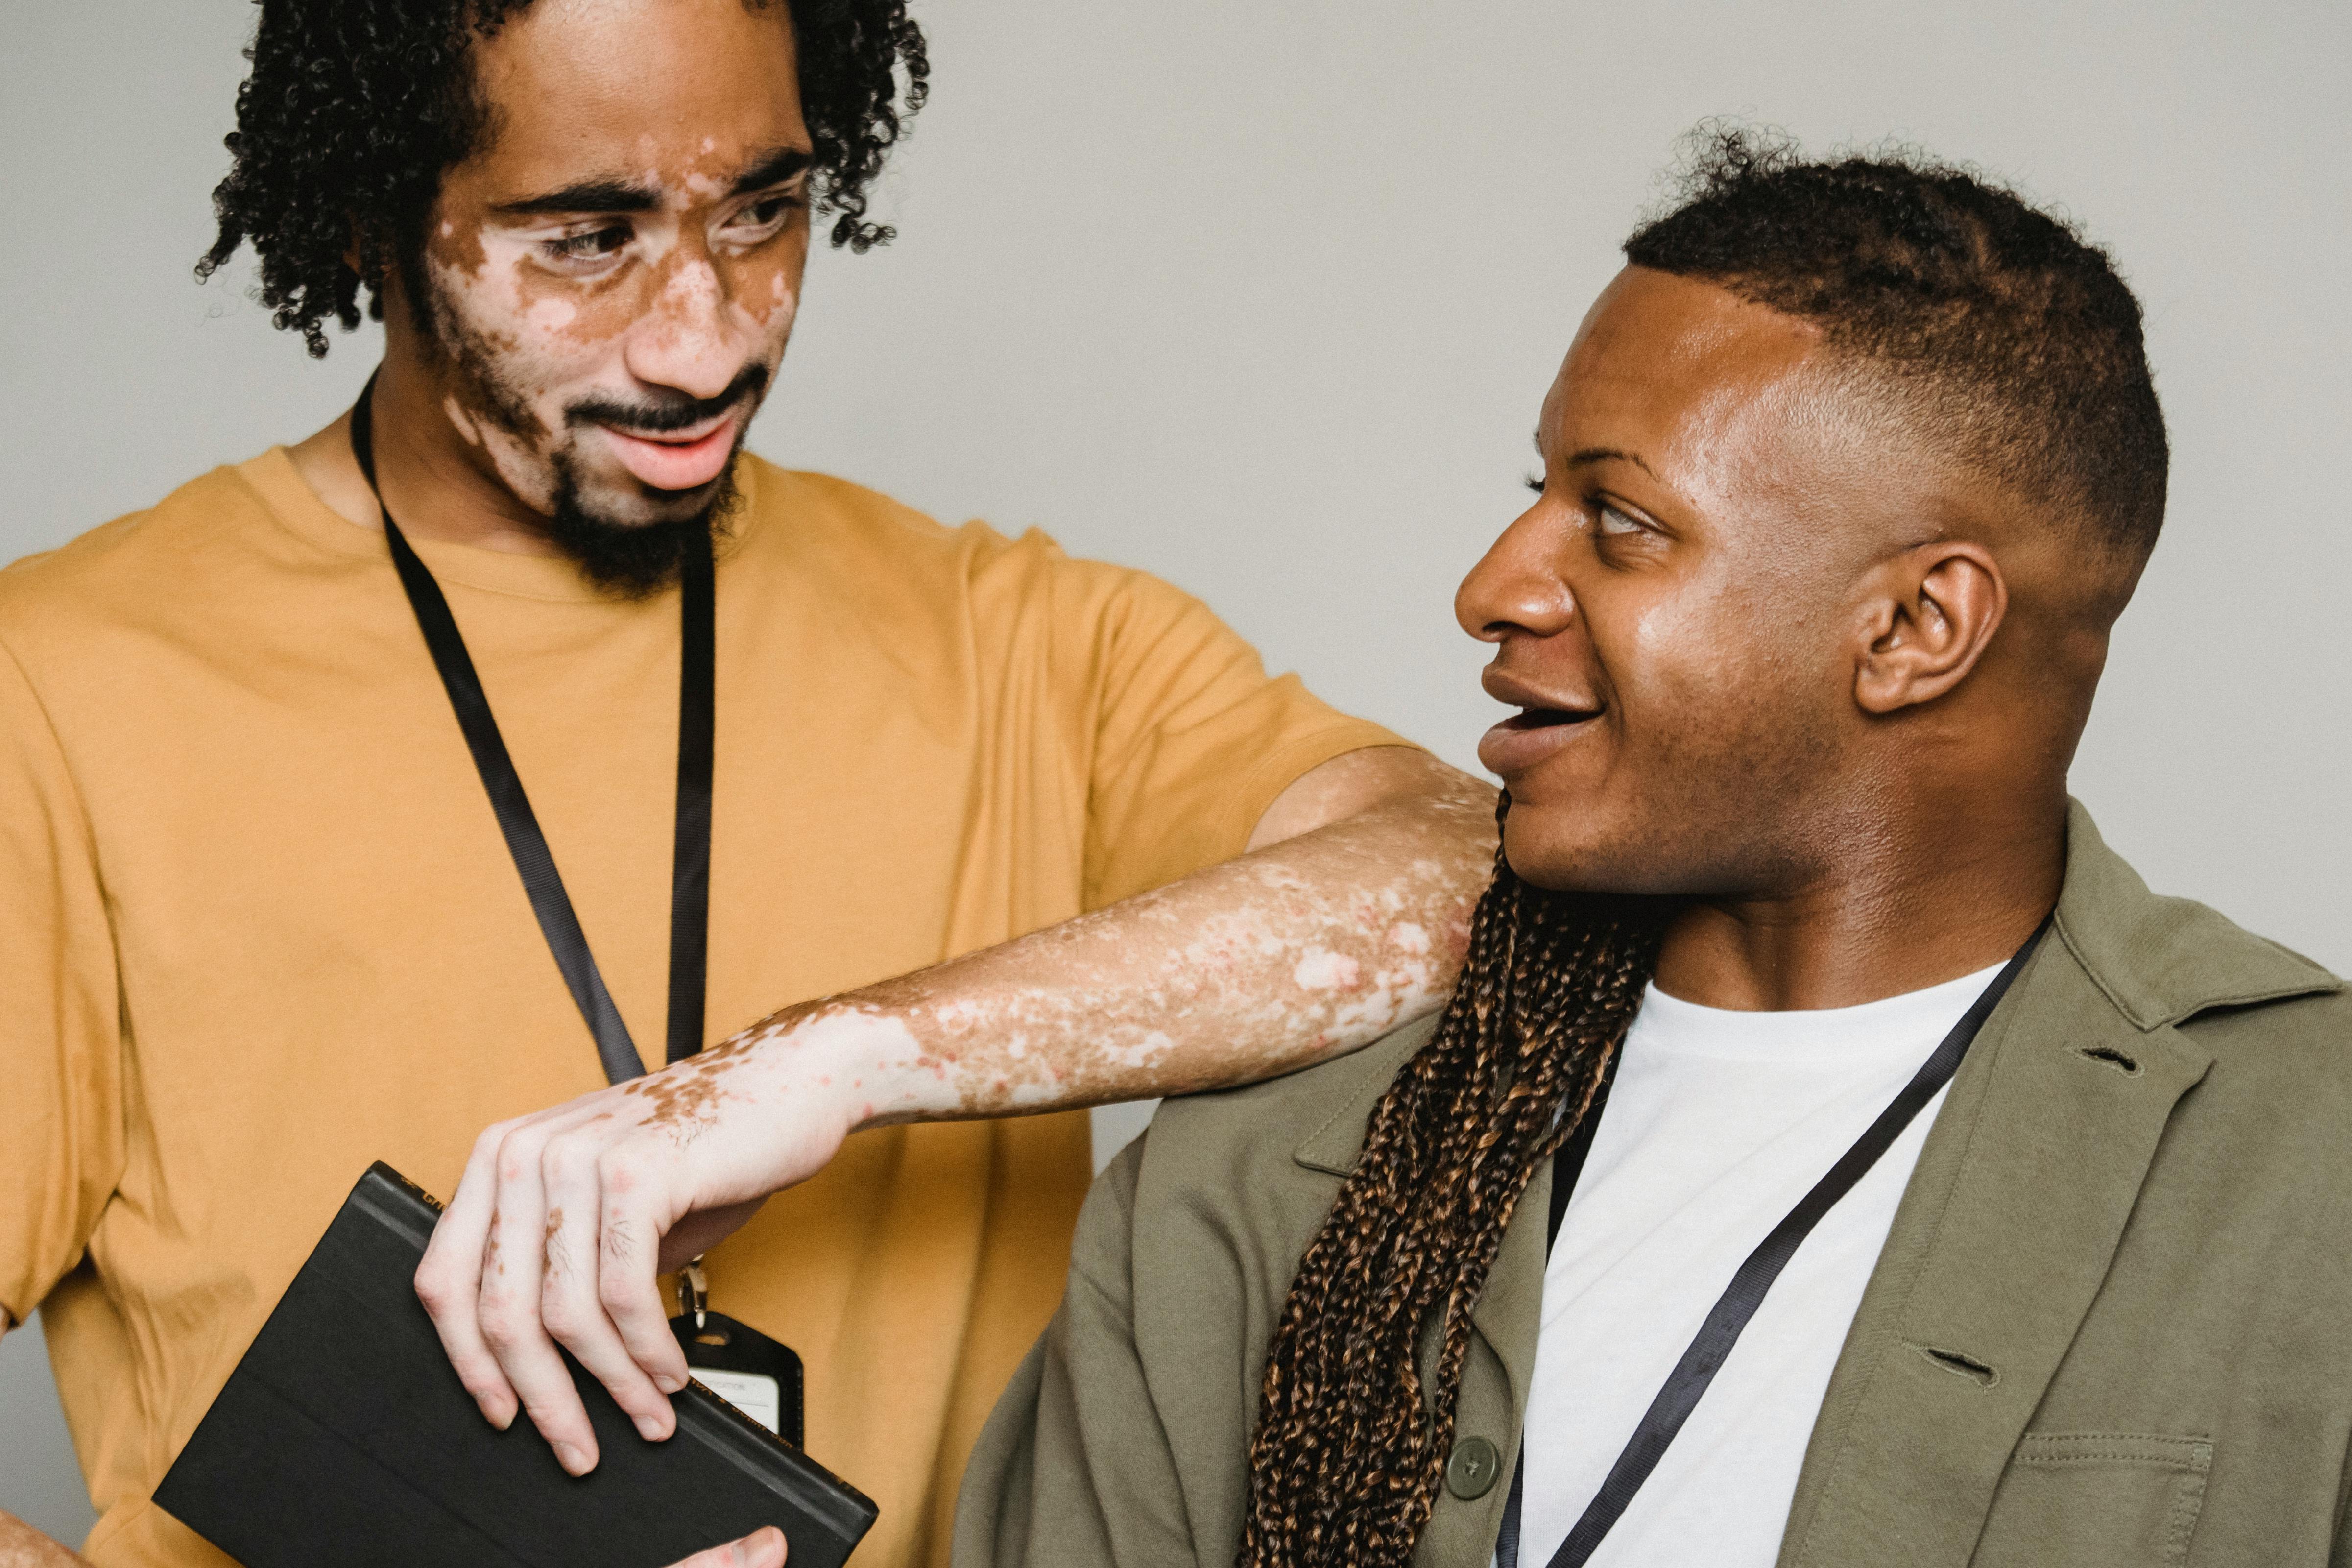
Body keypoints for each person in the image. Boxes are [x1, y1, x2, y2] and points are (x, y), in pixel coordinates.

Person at [0, 2, 1499, 1565]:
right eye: (588, 239)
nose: (708, 339)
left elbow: (1458, 868)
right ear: (375, 215)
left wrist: (816, 1067)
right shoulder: (53, 682)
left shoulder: (1015, 637)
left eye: (764, 212)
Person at [954, 135, 2352, 1568]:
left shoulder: (2310, 1161)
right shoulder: (1259, 1170)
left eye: (1619, 522)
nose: (1490, 586)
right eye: (1538, 491)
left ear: (1915, 629)